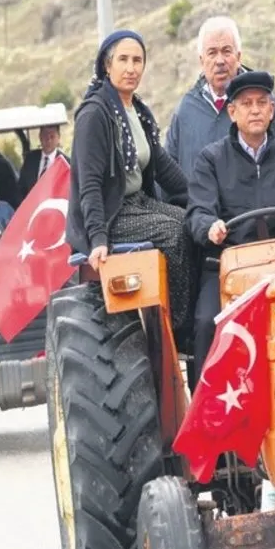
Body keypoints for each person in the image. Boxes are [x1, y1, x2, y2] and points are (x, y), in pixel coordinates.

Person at [185, 70, 275, 381]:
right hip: (227, 266)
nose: (255, 110)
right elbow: (197, 212)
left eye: (262, 102)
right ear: (232, 112)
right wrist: (211, 226)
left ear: (272, 111)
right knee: (206, 322)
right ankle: (210, 409)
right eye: (246, 104)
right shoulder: (210, 160)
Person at [66, 29, 194, 336]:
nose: (131, 67)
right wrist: (97, 238)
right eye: (123, 59)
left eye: (137, 60)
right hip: (109, 215)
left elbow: (160, 163)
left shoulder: (137, 110)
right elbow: (90, 183)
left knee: (192, 222)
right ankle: (175, 329)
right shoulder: (94, 114)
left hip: (137, 204)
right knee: (174, 233)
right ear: (107, 66)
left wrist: (201, 201)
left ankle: (190, 317)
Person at [164, 16, 275, 179]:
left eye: (226, 51)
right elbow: (169, 171)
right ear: (201, 60)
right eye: (212, 53)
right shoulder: (186, 109)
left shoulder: (263, 102)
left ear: (238, 57)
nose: (220, 61)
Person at [17, 125, 66, 200]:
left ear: (58, 138)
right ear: (40, 137)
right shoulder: (30, 159)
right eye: (45, 136)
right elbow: (21, 188)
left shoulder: (65, 162)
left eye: (52, 136)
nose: (48, 140)